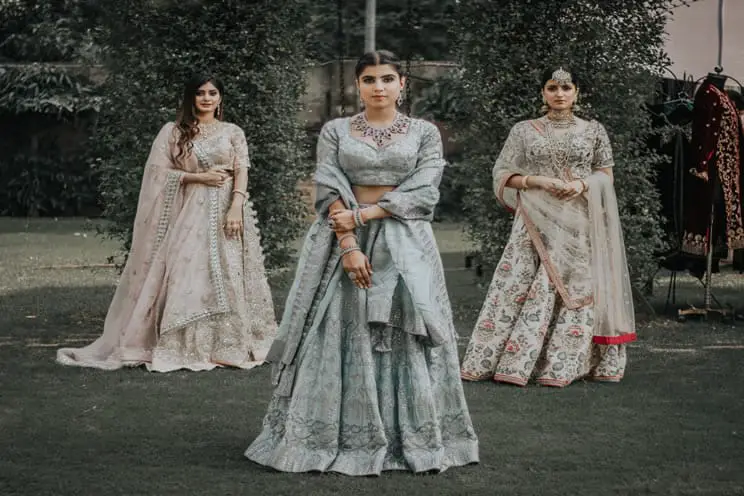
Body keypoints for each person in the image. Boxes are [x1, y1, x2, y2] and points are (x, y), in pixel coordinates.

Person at [245, 50, 478, 475]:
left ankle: (412, 436)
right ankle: (327, 436)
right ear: (359, 85)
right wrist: (350, 242)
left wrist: (367, 214)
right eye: (369, 80)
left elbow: (425, 189)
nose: (379, 87)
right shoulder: (335, 130)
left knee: (408, 328)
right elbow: (328, 183)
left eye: (387, 79)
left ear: (401, 85)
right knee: (335, 328)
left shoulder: (425, 132)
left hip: (405, 240)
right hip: (339, 240)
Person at [57, 74, 277, 372]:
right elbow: (157, 174)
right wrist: (199, 177)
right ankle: (184, 344)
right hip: (190, 212)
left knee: (230, 270)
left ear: (221, 98)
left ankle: (229, 343)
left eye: (213, 93)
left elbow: (242, 169)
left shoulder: (232, 132)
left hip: (229, 209)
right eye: (200, 93)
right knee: (187, 271)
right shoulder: (173, 132)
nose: (207, 98)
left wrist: (236, 204)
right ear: (190, 98)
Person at [460, 66, 636, 387]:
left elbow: (605, 176)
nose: (560, 94)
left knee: (576, 286)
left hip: (579, 222)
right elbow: (502, 174)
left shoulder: (594, 131)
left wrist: (582, 185)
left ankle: (564, 364)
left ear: (577, 93)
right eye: (553, 87)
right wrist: (536, 180)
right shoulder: (524, 130)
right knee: (522, 283)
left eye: (566, 88)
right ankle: (516, 359)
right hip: (534, 222)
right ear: (543, 92)